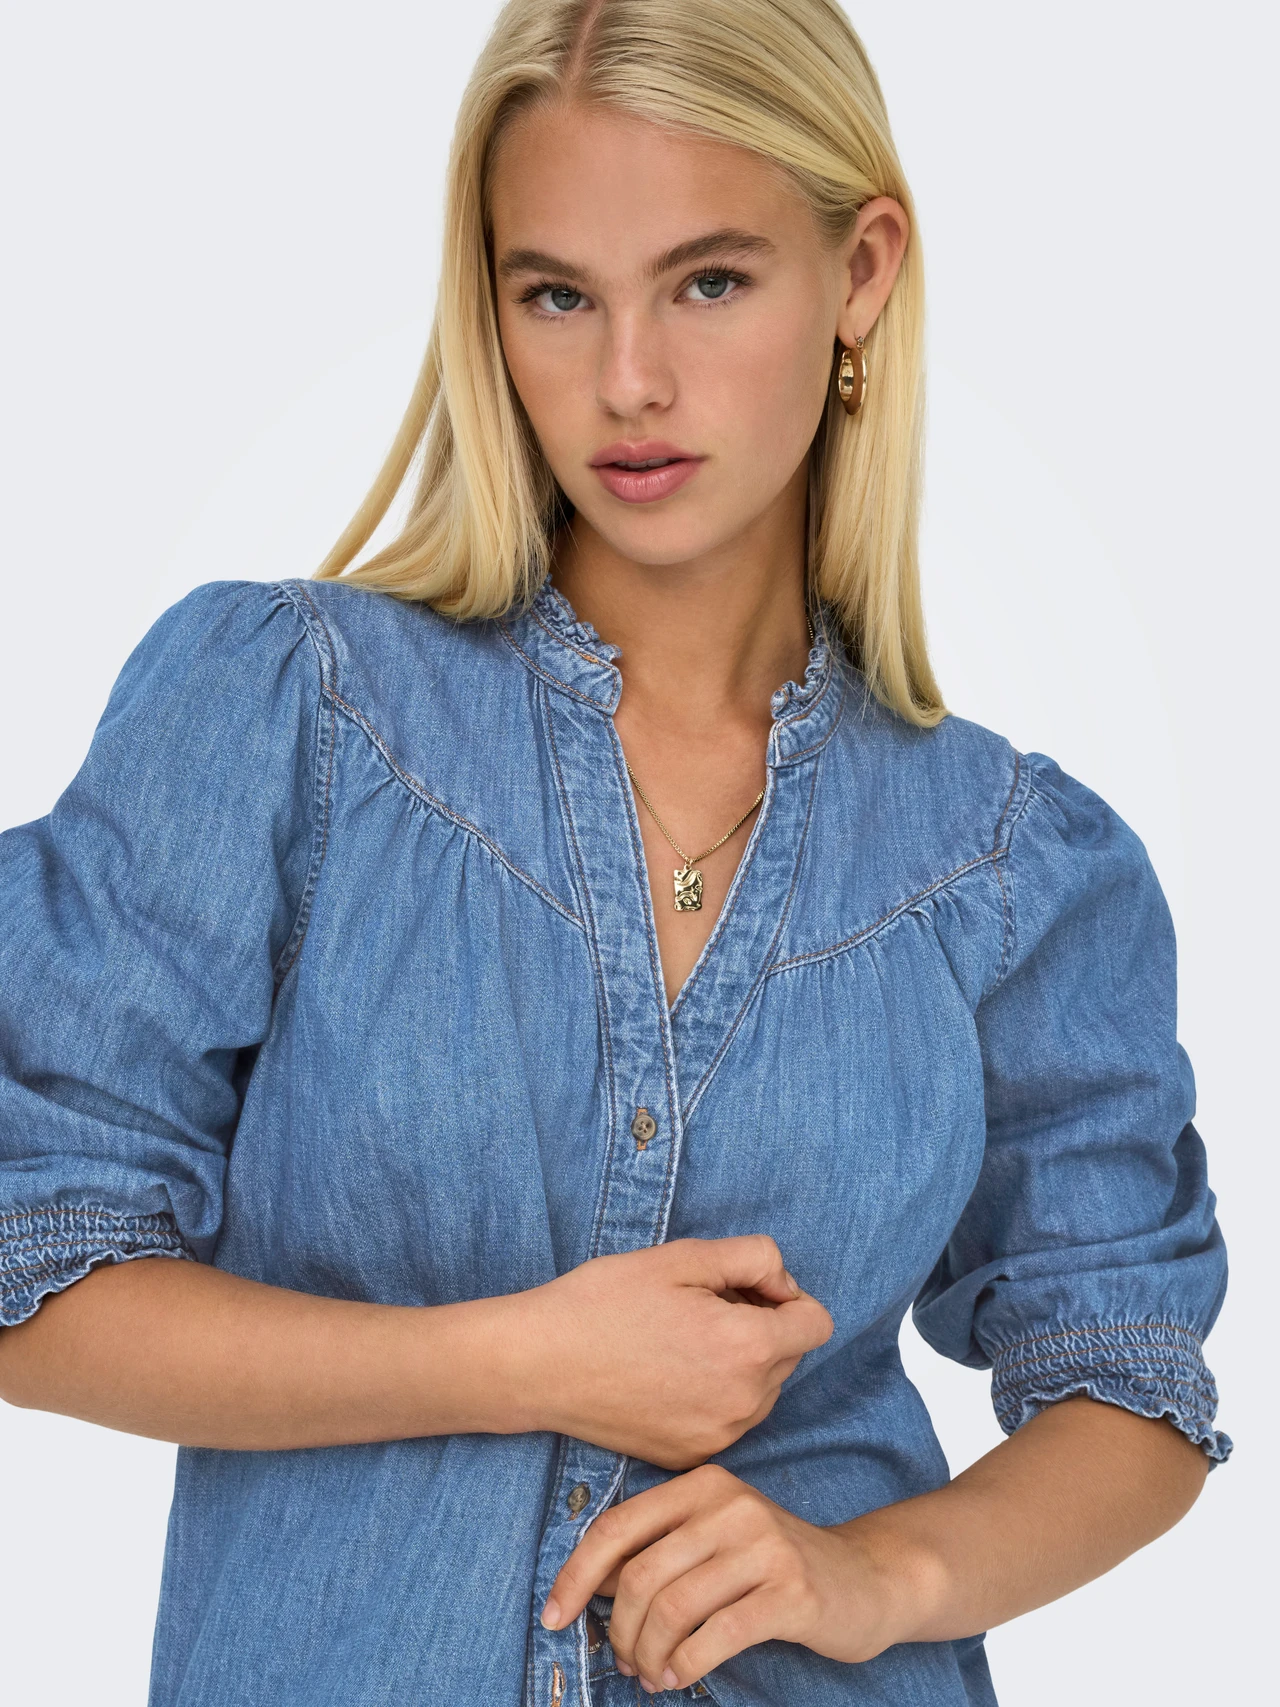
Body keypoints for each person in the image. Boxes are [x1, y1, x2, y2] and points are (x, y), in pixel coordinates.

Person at [0, 2, 1230, 1704]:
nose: (629, 381)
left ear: (862, 270)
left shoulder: (1016, 865)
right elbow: (36, 1265)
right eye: (556, 294)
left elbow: (1129, 1381)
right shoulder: (291, 716)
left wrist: (877, 1571)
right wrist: (519, 1357)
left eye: (709, 281)